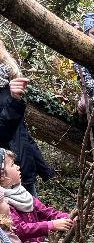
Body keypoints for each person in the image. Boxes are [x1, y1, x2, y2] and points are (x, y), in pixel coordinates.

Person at [0, 148, 73, 243]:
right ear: (2, 176)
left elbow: (44, 212)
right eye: (12, 165)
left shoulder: (22, 193)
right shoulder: (4, 218)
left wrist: (66, 218)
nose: (18, 167)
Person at [0, 65, 54, 195]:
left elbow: (22, 135)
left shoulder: (6, 85)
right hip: (5, 181)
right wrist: (13, 101)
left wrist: (44, 169)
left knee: (35, 213)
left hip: (24, 173)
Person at [74, 14, 94, 117]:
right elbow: (85, 78)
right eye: (93, 33)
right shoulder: (80, 54)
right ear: (86, 33)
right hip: (93, 92)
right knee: (83, 106)